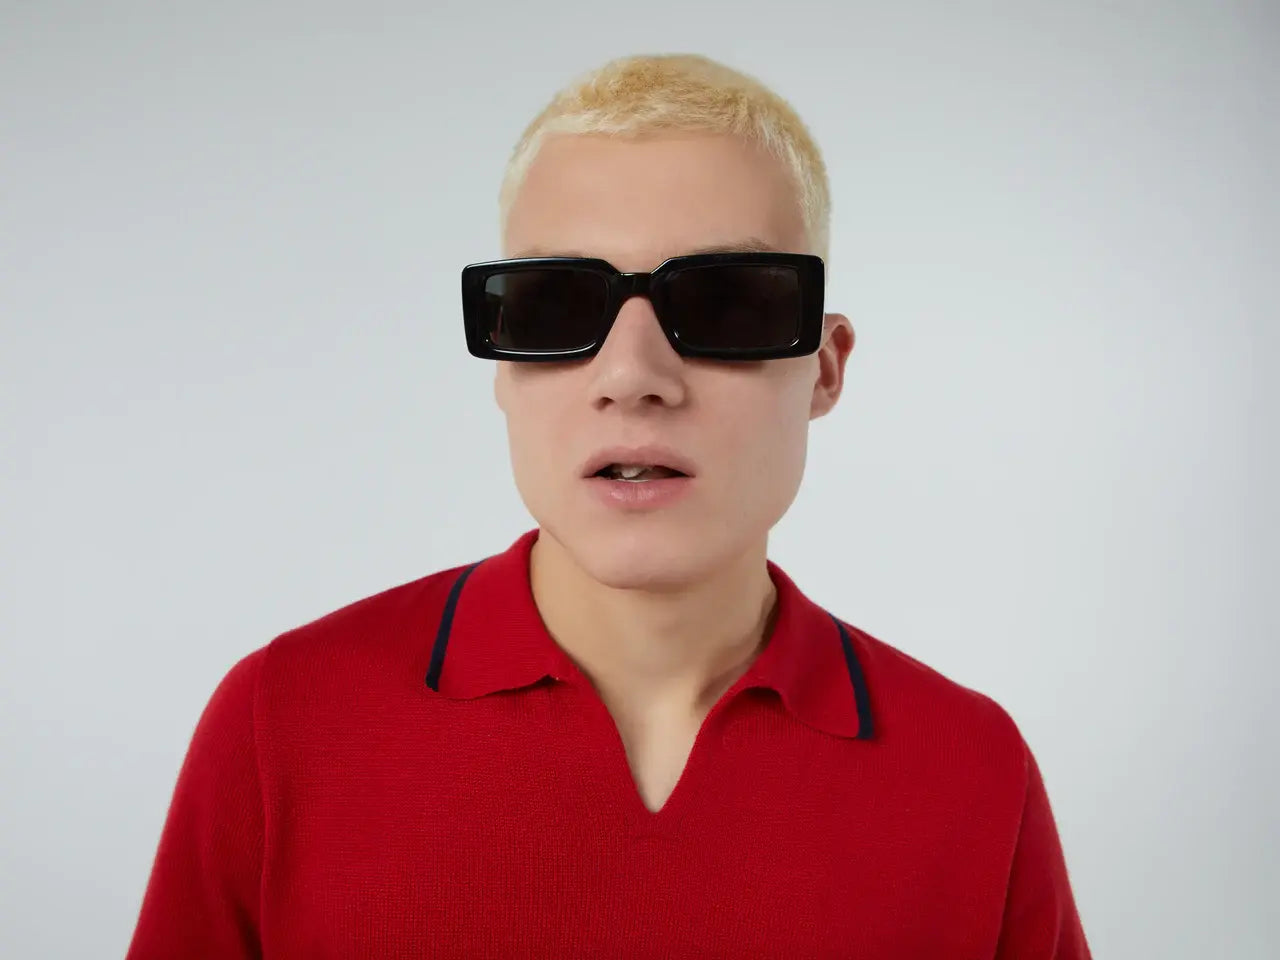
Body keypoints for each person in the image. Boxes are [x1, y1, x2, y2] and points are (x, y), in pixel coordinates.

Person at [126, 53, 1092, 958]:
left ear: (826, 369)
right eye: (555, 306)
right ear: (503, 366)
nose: (632, 376)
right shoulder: (283, 723)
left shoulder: (972, 771)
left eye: (726, 304)